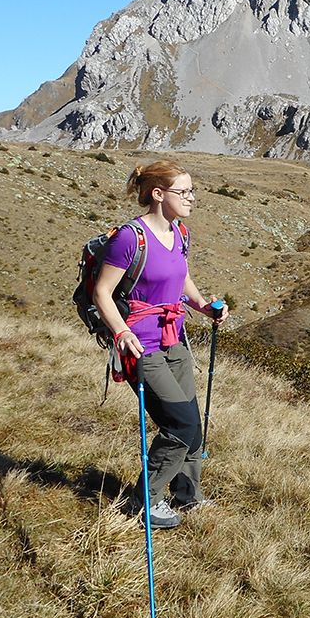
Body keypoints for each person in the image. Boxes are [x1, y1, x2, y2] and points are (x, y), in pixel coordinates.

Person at [92, 160, 227, 529]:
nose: (192, 198)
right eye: (183, 192)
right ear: (157, 194)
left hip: (174, 340)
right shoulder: (129, 238)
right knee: (180, 425)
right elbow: (101, 292)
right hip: (142, 347)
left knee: (192, 426)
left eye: (192, 191)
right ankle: (143, 501)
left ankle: (187, 496)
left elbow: (180, 277)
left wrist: (202, 306)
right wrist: (121, 334)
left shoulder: (179, 232)